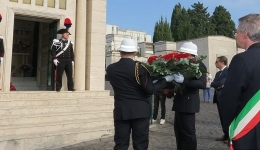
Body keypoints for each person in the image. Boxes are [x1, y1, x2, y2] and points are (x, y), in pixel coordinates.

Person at [106, 38, 175, 150]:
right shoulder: (140, 67)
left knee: (120, 144)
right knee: (140, 145)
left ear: (120, 51)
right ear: (135, 52)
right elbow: (150, 90)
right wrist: (164, 80)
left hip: (121, 110)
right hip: (140, 111)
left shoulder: (110, 68)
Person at [219, 14, 260, 149]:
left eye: (236, 32)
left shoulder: (242, 60)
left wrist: (229, 129)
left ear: (245, 34)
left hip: (249, 132)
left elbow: (229, 100)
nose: (235, 36)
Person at [171, 41, 207, 150]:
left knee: (188, 134)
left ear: (188, 53)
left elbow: (202, 84)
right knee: (179, 132)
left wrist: (184, 81)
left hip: (188, 103)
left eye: (182, 53)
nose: (180, 55)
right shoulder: (183, 64)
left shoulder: (199, 65)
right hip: (180, 102)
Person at [210, 56, 228, 142]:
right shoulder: (218, 73)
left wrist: (217, 84)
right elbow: (213, 83)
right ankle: (225, 134)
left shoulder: (228, 71)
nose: (215, 63)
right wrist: (217, 84)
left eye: (216, 62)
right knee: (221, 117)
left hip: (225, 97)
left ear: (221, 62)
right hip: (218, 97)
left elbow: (221, 83)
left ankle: (229, 136)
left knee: (226, 117)